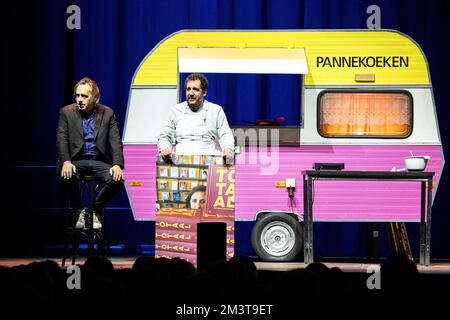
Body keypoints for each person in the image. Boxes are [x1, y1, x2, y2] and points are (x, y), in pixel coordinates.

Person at [56, 77, 124, 229]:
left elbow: (115, 141)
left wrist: (117, 164)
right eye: (78, 95)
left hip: (98, 160)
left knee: (117, 179)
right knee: (67, 177)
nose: (80, 99)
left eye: (84, 96)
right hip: (76, 160)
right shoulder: (66, 112)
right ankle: (79, 210)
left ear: (95, 98)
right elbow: (62, 139)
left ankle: (92, 210)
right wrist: (66, 161)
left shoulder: (107, 113)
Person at [158, 73, 234, 159]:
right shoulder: (175, 111)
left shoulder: (216, 110)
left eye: (195, 89)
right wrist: (164, 148)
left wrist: (228, 149)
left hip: (209, 161)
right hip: (181, 162)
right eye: (188, 89)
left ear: (204, 92)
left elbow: (226, 135)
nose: (191, 93)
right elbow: (165, 135)